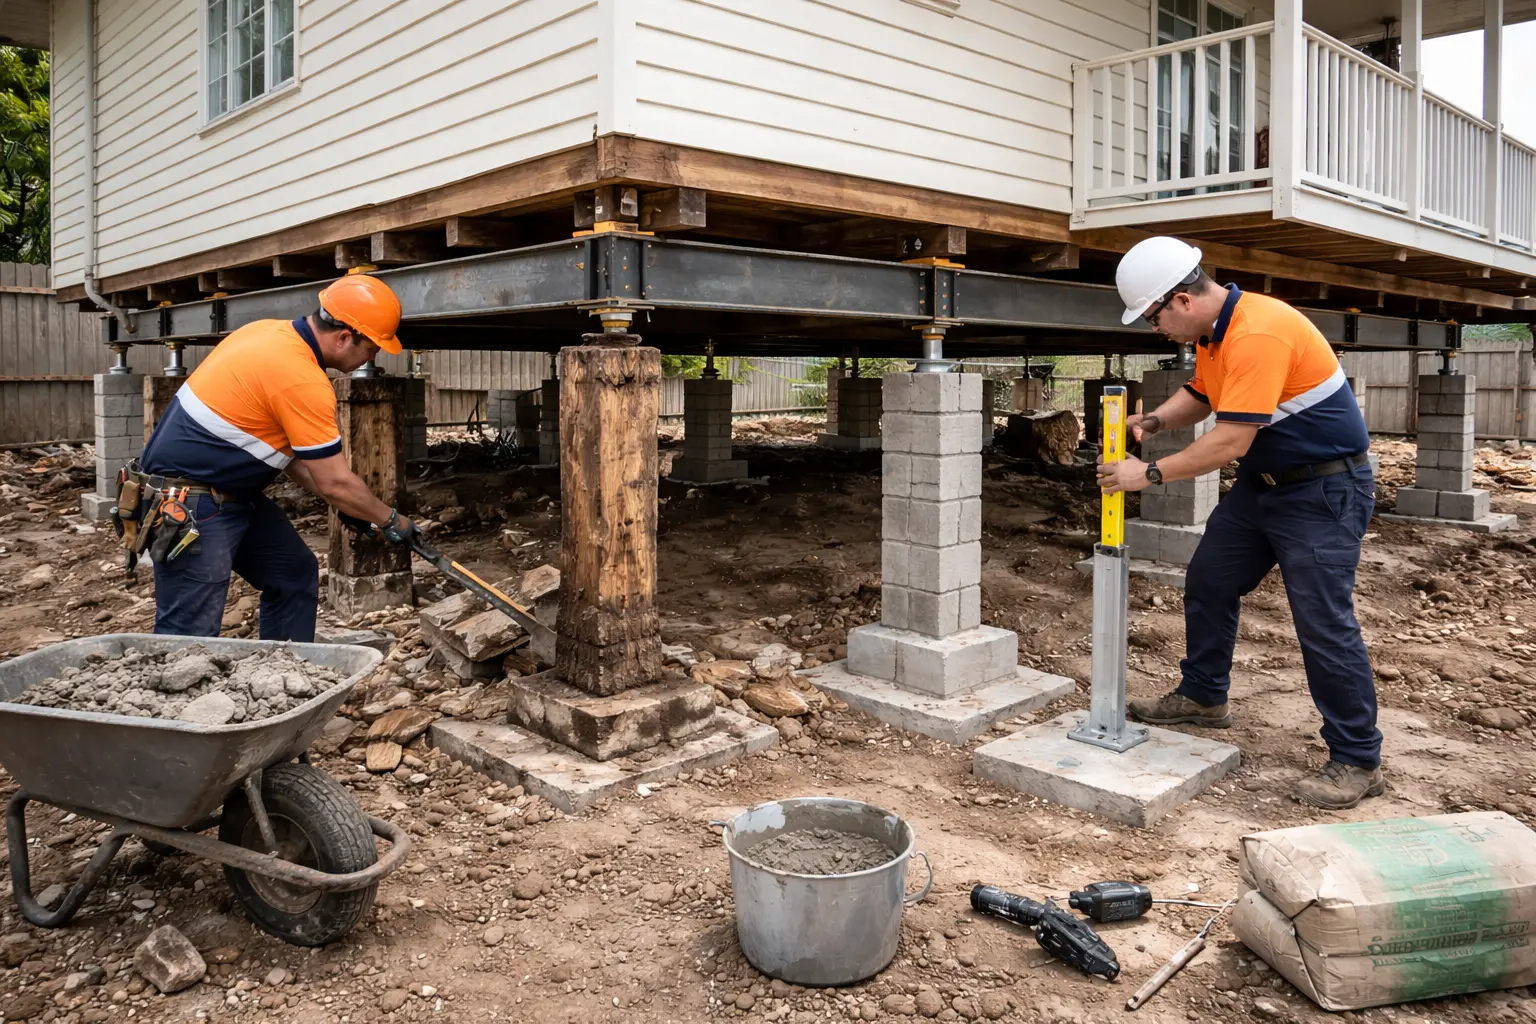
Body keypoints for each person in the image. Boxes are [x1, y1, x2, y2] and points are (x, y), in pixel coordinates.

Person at [1097, 236, 1382, 810]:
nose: (1156, 329)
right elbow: (1203, 394)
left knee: (1323, 622)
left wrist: (1146, 474)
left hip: (1324, 491)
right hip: (1265, 487)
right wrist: (1154, 421)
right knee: (1211, 579)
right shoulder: (1215, 332)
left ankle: (1357, 758)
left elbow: (1230, 440)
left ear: (1182, 300)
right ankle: (1204, 697)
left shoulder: (1257, 332)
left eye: (1154, 317)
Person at [126, 274, 416, 642]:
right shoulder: (302, 378)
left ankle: (285, 667)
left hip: (228, 491)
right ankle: (176, 679)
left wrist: (350, 506)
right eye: (372, 347)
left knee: (292, 574)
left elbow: (291, 456)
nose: (374, 356)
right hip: (190, 502)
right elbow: (335, 482)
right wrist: (390, 519)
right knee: (188, 634)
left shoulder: (267, 333)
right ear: (344, 337)